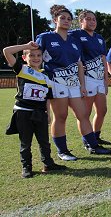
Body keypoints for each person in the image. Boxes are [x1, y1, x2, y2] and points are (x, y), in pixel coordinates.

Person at [36, 5, 111, 161]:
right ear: (54, 20)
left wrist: (82, 85)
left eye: (69, 19)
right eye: (62, 18)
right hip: (56, 82)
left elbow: (78, 64)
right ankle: (62, 150)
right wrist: (38, 79)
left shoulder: (73, 40)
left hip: (74, 83)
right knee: (61, 116)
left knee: (83, 114)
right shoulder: (45, 37)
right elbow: (35, 57)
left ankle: (93, 145)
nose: (66, 21)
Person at [3, 41, 67, 178]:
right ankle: (26, 167)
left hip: (40, 114)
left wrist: (48, 114)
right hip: (23, 112)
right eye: (32, 55)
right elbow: (6, 51)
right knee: (26, 142)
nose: (36, 58)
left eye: (39, 55)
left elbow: (47, 98)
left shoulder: (46, 76)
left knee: (44, 141)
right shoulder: (21, 69)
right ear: (24, 58)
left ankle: (48, 164)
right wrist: (26, 47)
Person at [69, 10, 111, 145]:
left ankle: (95, 136)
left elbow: (104, 59)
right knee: (84, 113)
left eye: (94, 19)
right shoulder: (75, 34)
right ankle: (87, 140)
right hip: (86, 78)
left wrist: (105, 80)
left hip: (99, 79)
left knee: (102, 110)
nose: (92, 22)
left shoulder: (99, 38)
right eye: (88, 19)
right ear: (81, 21)